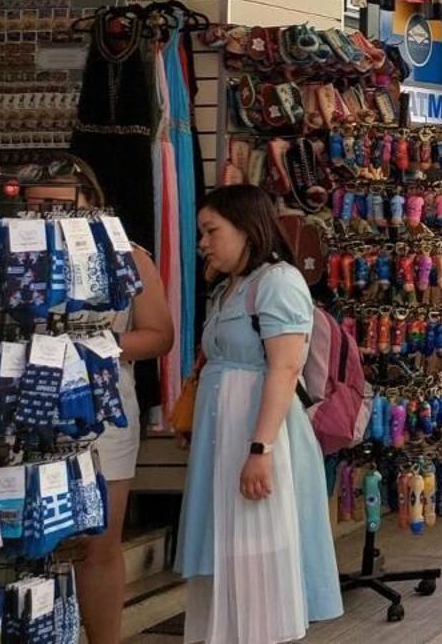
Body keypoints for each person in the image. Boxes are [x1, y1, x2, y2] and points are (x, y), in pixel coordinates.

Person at [179, 185, 343, 643]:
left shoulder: (278, 282)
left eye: (212, 231)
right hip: (226, 434)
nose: (204, 243)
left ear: (247, 229)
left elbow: (286, 367)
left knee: (255, 547)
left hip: (254, 432)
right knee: (226, 549)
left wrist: (260, 447)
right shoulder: (228, 289)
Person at [27, 160, 174, 644]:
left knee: (99, 539)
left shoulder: (128, 256)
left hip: (103, 410)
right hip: (28, 410)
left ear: (92, 199)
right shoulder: (16, 254)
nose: (53, 216)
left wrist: (95, 343)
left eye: (63, 204)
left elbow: (159, 336)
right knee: (29, 536)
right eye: (40, 206)